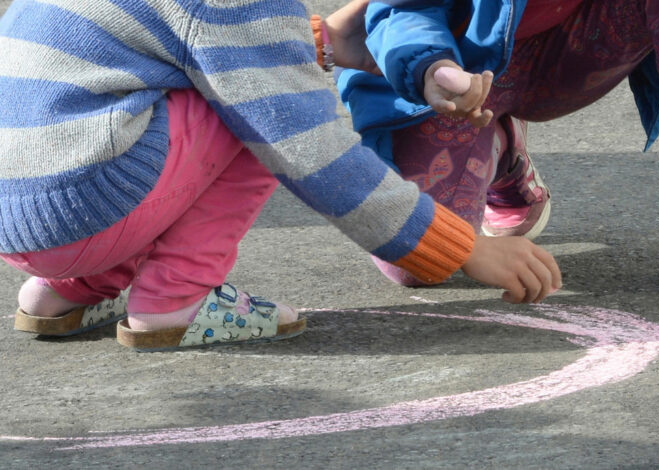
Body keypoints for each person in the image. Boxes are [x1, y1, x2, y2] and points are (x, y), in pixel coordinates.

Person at [0, 0, 562, 351]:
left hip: (24, 219)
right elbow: (314, 154)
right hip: (90, 207)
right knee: (262, 110)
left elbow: (179, 30)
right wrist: (463, 248)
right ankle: (176, 300)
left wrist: (314, 40)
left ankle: (66, 292)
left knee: (219, 86)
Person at [337, 0, 659, 289]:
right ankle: (501, 152)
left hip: (573, 48)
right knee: (418, 261)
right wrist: (430, 67)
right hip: (460, 72)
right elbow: (399, 10)